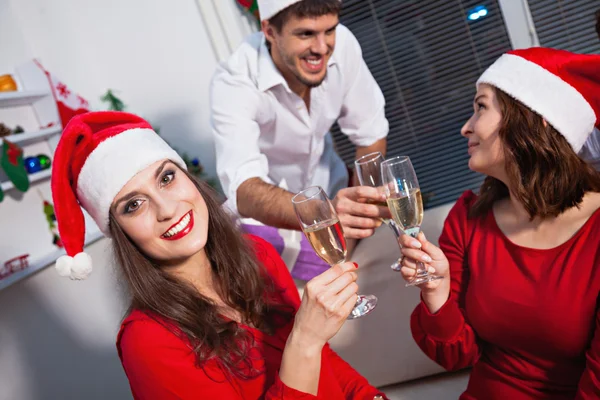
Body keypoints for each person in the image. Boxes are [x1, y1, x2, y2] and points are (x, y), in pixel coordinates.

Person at [50, 111, 387, 399]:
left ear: (189, 179)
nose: (167, 209)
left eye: (167, 178)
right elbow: (311, 351)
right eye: (134, 205)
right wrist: (305, 341)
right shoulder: (147, 342)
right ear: (121, 233)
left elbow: (327, 368)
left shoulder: (259, 256)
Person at [398, 48, 600, 398]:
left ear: (535, 120)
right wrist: (436, 291)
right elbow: (456, 354)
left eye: (480, 107)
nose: (465, 127)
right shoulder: (468, 218)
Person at [210, 0, 390, 279]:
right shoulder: (235, 81)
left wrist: (360, 212)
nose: (321, 47)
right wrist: (326, 215)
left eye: (329, 30)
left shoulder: (343, 44)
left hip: (334, 195)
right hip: (272, 223)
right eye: (305, 34)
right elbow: (243, 189)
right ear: (269, 31)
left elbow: (371, 133)